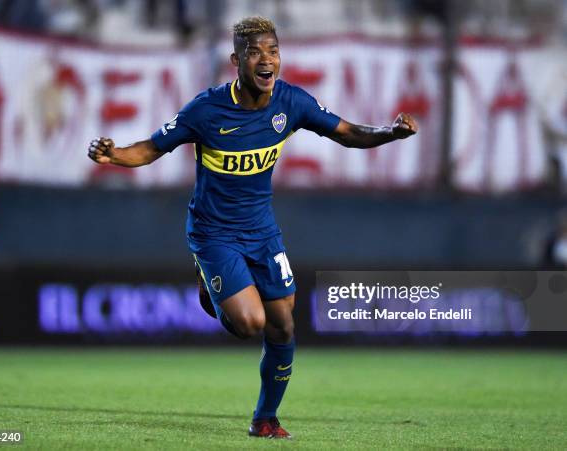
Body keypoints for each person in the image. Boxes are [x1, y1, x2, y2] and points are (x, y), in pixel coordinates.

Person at [88, 16, 418, 439]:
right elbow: (150, 149)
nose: (267, 60)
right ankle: (211, 287)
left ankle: (265, 419)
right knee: (249, 323)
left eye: (273, 50)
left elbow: (348, 132)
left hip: (262, 231)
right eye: (255, 52)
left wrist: (389, 132)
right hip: (213, 233)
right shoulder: (206, 111)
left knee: (283, 325)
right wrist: (114, 155)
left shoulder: (291, 103)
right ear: (236, 61)